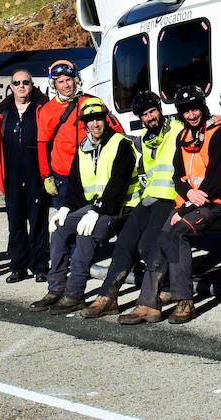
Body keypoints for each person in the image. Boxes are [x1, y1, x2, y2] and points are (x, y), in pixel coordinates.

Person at [121, 85, 221, 325]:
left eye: (195, 109)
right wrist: (188, 194)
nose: (191, 115)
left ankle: (185, 301)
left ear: (203, 107)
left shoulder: (218, 134)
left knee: (178, 233)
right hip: (191, 201)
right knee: (161, 238)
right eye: (186, 111)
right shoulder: (183, 137)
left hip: (215, 202)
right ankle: (147, 304)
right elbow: (177, 175)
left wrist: (184, 208)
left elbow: (215, 180)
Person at [30, 98, 138, 315]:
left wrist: (96, 211)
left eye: (98, 119)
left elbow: (117, 186)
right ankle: (56, 289)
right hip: (95, 207)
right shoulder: (84, 148)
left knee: (85, 236)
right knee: (59, 229)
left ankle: (75, 295)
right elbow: (76, 186)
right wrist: (65, 208)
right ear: (85, 124)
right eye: (90, 120)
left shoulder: (121, 144)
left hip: (121, 206)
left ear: (105, 120)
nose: (95, 124)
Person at [82, 90, 180, 319]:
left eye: (152, 111)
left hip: (170, 197)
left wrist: (219, 119)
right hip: (150, 198)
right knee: (124, 242)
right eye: (144, 115)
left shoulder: (176, 128)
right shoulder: (145, 138)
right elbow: (123, 139)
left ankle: (151, 302)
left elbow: (199, 122)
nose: (150, 117)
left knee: (149, 245)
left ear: (160, 109)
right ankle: (107, 297)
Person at [0, 69, 49, 283]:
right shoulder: (2, 113)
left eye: (26, 82)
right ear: (11, 87)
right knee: (15, 224)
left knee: (38, 223)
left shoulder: (42, 109)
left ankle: (40, 267)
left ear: (32, 85)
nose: (21, 86)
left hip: (36, 177)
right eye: (17, 83)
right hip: (12, 178)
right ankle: (18, 267)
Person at [37, 59, 110, 209]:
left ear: (75, 80)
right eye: (60, 82)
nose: (66, 85)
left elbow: (114, 129)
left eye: (68, 80)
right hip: (63, 175)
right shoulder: (48, 110)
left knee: (91, 216)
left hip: (92, 171)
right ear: (54, 85)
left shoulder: (91, 102)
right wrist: (46, 176)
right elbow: (42, 144)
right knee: (65, 219)